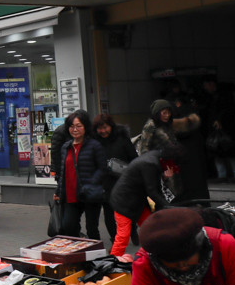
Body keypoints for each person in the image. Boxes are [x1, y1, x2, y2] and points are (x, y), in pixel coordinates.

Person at [108, 145, 178, 260]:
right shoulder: (151, 163)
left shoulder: (153, 159)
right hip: (124, 202)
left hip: (135, 201)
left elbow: (151, 183)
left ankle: (154, 256)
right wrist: (168, 206)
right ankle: (112, 263)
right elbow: (152, 190)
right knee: (123, 237)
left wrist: (164, 177)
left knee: (151, 229)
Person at [54, 111, 107, 239]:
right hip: (71, 194)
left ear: (85, 127)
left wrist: (91, 183)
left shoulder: (95, 146)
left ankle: (96, 255)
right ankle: (78, 252)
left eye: (79, 126)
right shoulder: (66, 147)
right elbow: (63, 171)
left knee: (92, 228)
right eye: (71, 126)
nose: (75, 129)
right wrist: (58, 191)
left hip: (90, 193)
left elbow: (102, 169)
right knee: (68, 226)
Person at [93, 114, 138, 243]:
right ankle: (115, 239)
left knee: (127, 209)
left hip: (123, 180)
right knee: (108, 212)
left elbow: (133, 157)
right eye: (99, 129)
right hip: (105, 181)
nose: (103, 131)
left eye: (105, 127)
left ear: (111, 126)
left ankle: (133, 229)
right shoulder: (95, 142)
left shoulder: (122, 138)